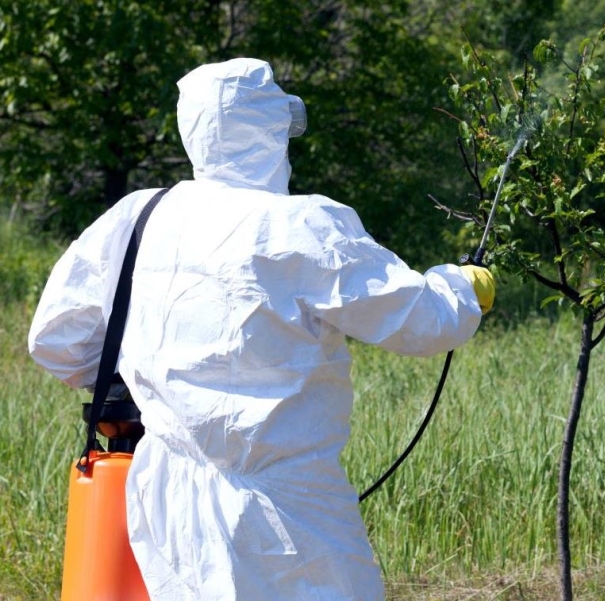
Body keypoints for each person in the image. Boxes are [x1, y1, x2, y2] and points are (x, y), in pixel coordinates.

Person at [28, 57, 495, 600]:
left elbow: (55, 341)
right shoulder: (304, 227)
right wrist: (462, 287)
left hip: (167, 497)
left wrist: (149, 391)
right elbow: (421, 321)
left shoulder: (141, 214)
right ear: (274, 131)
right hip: (287, 516)